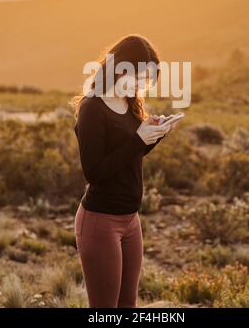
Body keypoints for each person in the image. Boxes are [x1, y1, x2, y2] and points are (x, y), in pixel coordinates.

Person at [70, 34, 177, 308]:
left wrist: (155, 135)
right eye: (140, 78)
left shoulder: (129, 104)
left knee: (128, 305)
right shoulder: (93, 107)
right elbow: (94, 172)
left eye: (147, 81)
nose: (142, 86)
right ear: (120, 68)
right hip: (100, 222)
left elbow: (130, 157)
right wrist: (139, 139)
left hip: (131, 220)